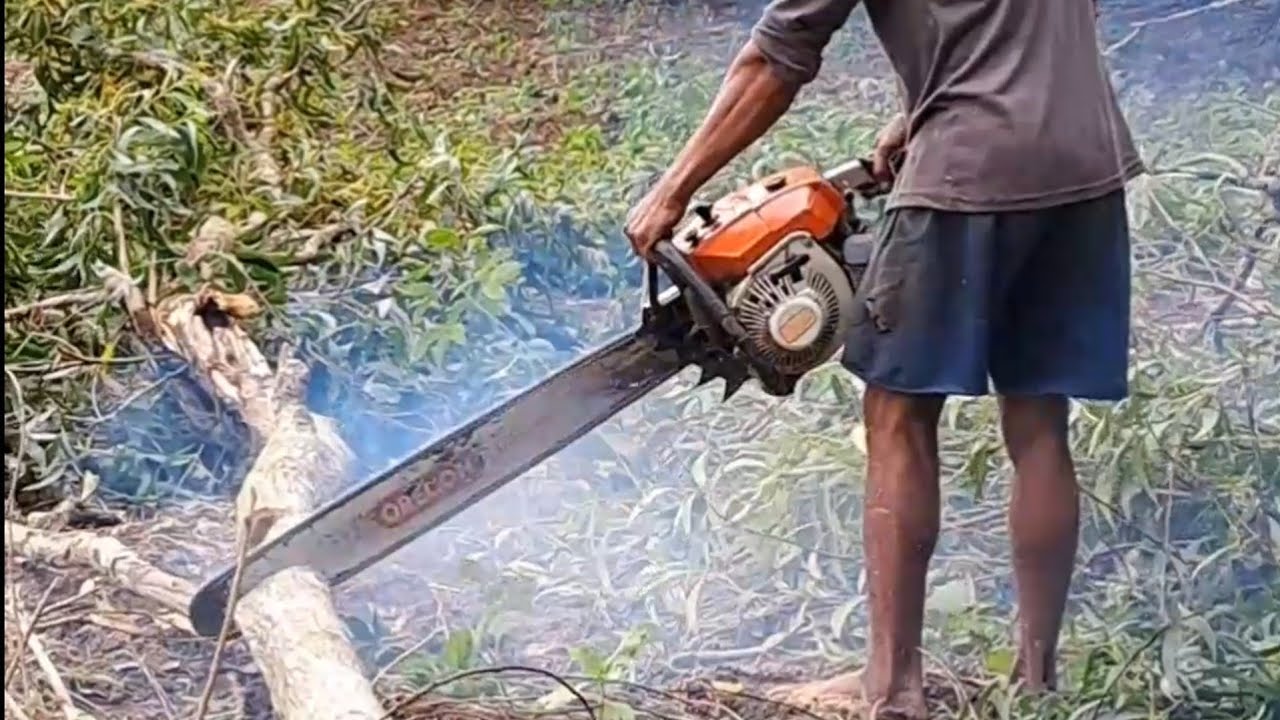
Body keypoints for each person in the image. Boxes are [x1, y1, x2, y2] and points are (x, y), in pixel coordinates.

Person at [624, 0, 1143, 717]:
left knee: (897, 413)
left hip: (967, 167)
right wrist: (919, 111)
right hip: (1086, 163)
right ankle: (1036, 684)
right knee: (1039, 416)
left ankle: (894, 689)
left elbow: (777, 55)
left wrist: (672, 191)